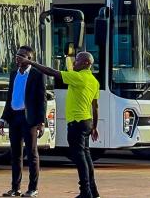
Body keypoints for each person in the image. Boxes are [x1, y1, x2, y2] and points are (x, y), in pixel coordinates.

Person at [20, 51, 100, 198]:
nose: (74, 63)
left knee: (80, 158)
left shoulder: (78, 77)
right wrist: (94, 127)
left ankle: (85, 191)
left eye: (77, 61)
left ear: (86, 64)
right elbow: (95, 106)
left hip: (77, 122)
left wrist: (31, 63)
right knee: (86, 157)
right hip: (87, 122)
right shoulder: (94, 81)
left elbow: (51, 72)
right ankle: (93, 192)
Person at [0, 46, 47, 197]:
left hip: (29, 119)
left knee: (32, 153)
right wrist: (3, 118)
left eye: (22, 56)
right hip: (14, 117)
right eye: (17, 55)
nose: (18, 58)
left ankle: (33, 188)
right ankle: (15, 188)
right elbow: (10, 98)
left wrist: (41, 122)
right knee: (15, 154)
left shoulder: (37, 75)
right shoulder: (14, 74)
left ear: (29, 59)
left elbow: (42, 99)